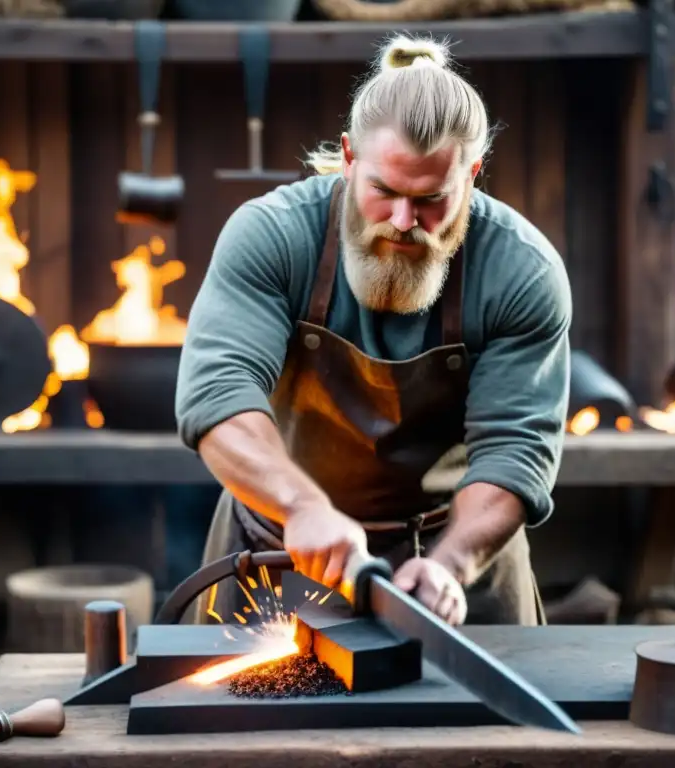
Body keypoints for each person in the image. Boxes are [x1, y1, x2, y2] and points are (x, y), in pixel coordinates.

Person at [175, 34, 572, 627]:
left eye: (432, 199)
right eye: (383, 192)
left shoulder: (522, 271)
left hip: (454, 566)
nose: (404, 222)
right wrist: (302, 506)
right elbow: (216, 399)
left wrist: (452, 563)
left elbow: (515, 452)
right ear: (349, 157)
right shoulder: (272, 236)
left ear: (473, 173)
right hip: (280, 553)